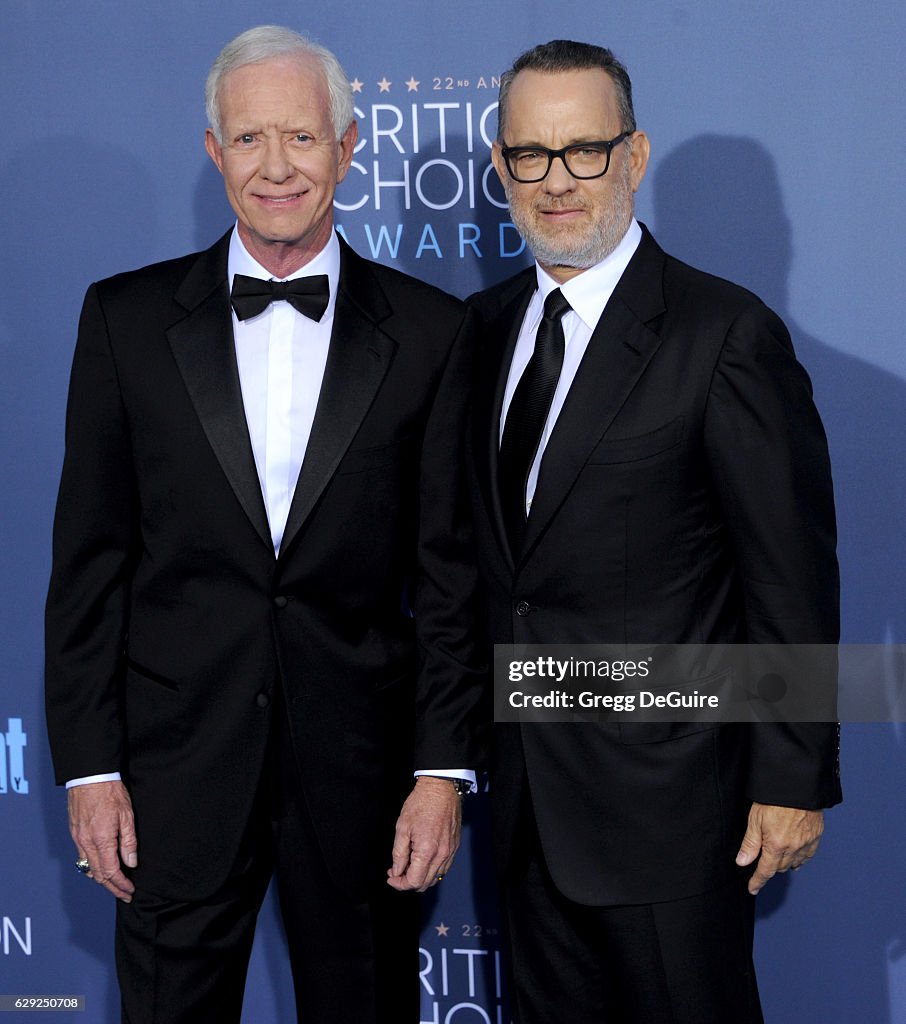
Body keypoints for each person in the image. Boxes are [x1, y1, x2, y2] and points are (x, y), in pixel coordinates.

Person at [44, 25, 484, 1024]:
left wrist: (439, 768)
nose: (276, 167)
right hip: (172, 775)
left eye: (300, 138)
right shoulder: (123, 320)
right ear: (213, 152)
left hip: (366, 777)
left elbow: (451, 575)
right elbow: (88, 565)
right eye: (248, 141)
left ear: (349, 145)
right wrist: (93, 766)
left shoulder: (430, 333)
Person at [467, 39, 840, 1024]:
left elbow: (790, 577)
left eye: (584, 150)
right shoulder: (481, 331)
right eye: (532, 155)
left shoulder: (723, 336)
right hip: (528, 814)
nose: (557, 182)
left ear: (633, 157)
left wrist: (792, 778)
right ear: (501, 166)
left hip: (675, 815)